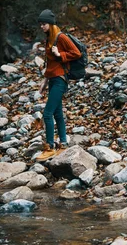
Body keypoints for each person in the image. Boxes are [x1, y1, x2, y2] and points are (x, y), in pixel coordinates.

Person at [35, 9, 81, 162]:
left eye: (44, 24)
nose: (41, 27)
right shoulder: (49, 39)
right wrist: (43, 84)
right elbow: (50, 65)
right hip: (52, 79)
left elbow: (76, 53)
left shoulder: (61, 37)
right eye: (40, 24)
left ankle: (49, 148)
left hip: (61, 80)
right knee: (57, 113)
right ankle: (63, 144)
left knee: (47, 113)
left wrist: (60, 54)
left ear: (51, 24)